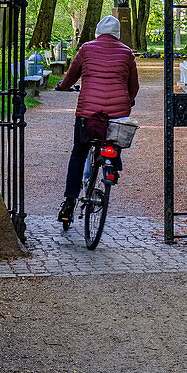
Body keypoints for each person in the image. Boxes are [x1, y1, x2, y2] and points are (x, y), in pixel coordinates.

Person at [55, 15, 139, 225]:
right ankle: (112, 166)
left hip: (88, 114)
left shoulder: (86, 49)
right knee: (112, 140)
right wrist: (130, 100)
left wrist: (62, 86)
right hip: (117, 114)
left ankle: (69, 202)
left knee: (79, 153)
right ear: (118, 34)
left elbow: (72, 75)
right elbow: (133, 85)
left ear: (98, 32)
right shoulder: (127, 53)